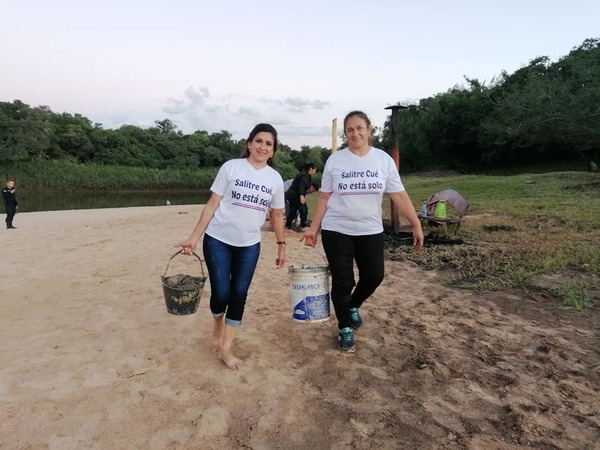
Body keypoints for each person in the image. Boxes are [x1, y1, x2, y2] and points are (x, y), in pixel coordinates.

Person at [302, 111, 424, 353]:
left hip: (370, 229)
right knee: (343, 281)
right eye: (349, 130)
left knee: (374, 276)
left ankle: (352, 306)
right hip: (337, 229)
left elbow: (398, 194)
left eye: (359, 128)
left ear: (370, 130)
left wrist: (416, 223)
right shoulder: (335, 161)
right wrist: (314, 228)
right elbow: (324, 197)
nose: (355, 133)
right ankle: (345, 328)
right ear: (345, 134)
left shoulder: (383, 160)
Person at [175, 123, 287, 370]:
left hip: (249, 245)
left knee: (239, 295)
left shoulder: (275, 179)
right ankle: (217, 323)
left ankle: (226, 349)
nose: (262, 147)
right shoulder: (231, 167)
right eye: (258, 141)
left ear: (273, 150)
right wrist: (194, 237)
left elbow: (277, 215)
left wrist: (281, 245)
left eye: (268, 144)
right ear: (249, 143)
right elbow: (212, 204)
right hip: (218, 240)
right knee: (221, 294)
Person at [285, 162, 317, 230]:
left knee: (293, 211)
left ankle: (288, 225)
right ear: (311, 169)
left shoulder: (306, 175)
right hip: (295, 195)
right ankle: (303, 225)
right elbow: (301, 185)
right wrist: (301, 195)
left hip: (293, 195)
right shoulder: (304, 175)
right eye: (314, 170)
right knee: (303, 209)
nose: (314, 172)